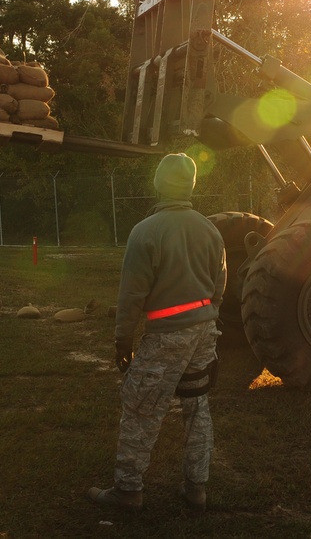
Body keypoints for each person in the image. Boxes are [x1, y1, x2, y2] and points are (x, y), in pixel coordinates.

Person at [88, 152, 226, 513]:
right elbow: (220, 285)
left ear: (158, 184)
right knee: (197, 406)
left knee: (141, 406)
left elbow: (132, 294)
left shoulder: (145, 232)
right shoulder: (209, 228)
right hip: (204, 330)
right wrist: (208, 318)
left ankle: (128, 490)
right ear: (191, 185)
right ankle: (197, 489)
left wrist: (123, 340)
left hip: (167, 335)